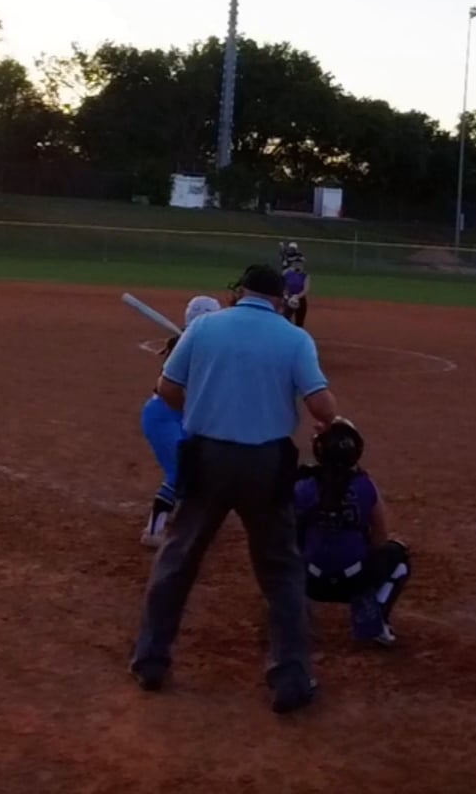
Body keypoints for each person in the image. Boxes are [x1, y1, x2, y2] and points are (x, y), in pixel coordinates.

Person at [130, 264, 337, 715]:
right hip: (266, 462)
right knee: (281, 569)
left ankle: (150, 659)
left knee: (178, 558)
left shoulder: (204, 327)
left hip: (207, 457)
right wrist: (329, 419)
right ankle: (290, 677)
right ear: (279, 299)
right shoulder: (294, 337)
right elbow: (321, 405)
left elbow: (167, 389)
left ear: (241, 291)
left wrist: (204, 403)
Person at [293, 419, 411, 647]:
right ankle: (375, 620)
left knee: (282, 547)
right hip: (354, 583)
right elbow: (380, 538)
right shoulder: (364, 485)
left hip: (309, 582)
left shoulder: (303, 485)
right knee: (399, 556)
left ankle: (292, 614)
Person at [138, 295, 223, 548]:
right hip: (163, 416)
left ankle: (185, 516)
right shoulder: (180, 346)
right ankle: (153, 531)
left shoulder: (208, 346)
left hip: (187, 417)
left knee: (199, 468)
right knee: (180, 470)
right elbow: (172, 381)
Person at [283, 257, 310, 328]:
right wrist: (286, 295)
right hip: (288, 298)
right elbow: (283, 285)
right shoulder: (286, 273)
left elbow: (306, 289)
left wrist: (297, 297)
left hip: (300, 299)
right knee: (286, 319)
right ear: (293, 264)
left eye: (300, 263)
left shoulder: (305, 275)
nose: (298, 265)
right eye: (296, 263)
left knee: (300, 321)